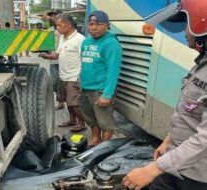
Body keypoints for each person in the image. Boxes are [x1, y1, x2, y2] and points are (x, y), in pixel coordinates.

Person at [122, 0, 207, 189]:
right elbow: (188, 114)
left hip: (196, 176)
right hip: (175, 161)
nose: (184, 32)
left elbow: (204, 140)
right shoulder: (200, 66)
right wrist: (168, 140)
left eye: (187, 25)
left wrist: (152, 170)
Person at [78, 10, 122, 146]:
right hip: (85, 88)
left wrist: (107, 94)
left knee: (105, 122)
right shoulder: (86, 42)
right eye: (91, 24)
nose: (93, 27)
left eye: (98, 24)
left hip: (100, 90)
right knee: (91, 119)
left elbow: (113, 71)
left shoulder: (111, 43)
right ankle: (95, 138)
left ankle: (104, 146)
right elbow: (85, 63)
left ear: (107, 25)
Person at [39, 14, 86, 132]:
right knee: (66, 101)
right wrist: (47, 56)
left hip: (74, 76)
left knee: (74, 102)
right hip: (63, 75)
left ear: (69, 25)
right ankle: (72, 120)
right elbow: (58, 54)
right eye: (57, 26)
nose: (57, 28)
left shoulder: (80, 39)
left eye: (59, 25)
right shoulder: (62, 38)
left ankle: (81, 123)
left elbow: (84, 59)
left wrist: (80, 76)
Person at [40, 10, 65, 110]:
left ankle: (64, 102)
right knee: (55, 82)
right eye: (51, 16)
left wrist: (50, 18)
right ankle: (61, 102)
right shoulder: (50, 30)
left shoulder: (64, 29)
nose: (53, 18)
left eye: (54, 16)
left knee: (65, 83)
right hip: (53, 60)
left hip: (63, 59)